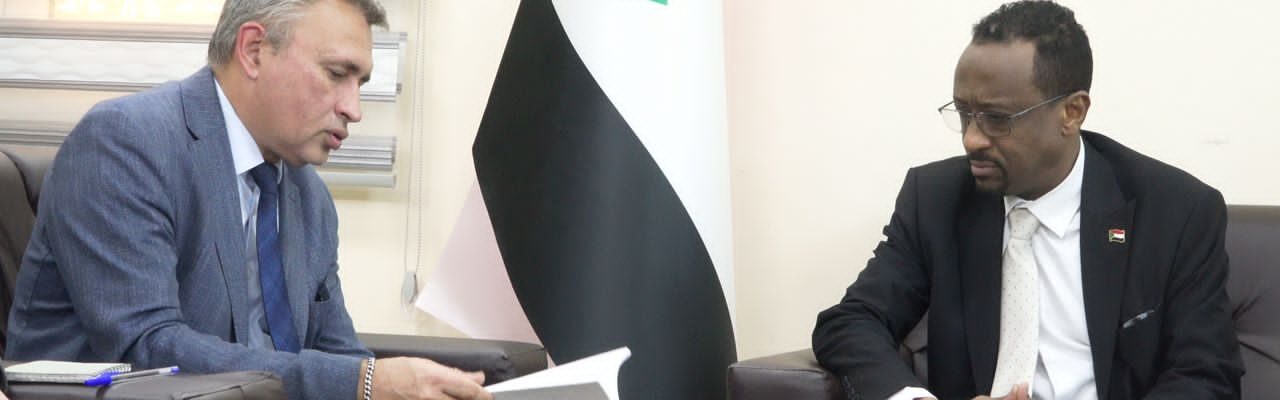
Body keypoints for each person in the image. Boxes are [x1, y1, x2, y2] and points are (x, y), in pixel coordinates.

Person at [4, 1, 491, 399]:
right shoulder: (127, 143)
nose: (353, 108)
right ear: (254, 51)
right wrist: (362, 384)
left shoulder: (309, 196)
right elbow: (148, 348)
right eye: (336, 74)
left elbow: (337, 351)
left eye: (359, 83)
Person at [812, 2, 1242, 400]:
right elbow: (851, 322)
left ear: (1072, 112)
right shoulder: (936, 199)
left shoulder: (1176, 212)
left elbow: (1206, 375)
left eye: (997, 119)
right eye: (964, 113)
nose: (972, 138)